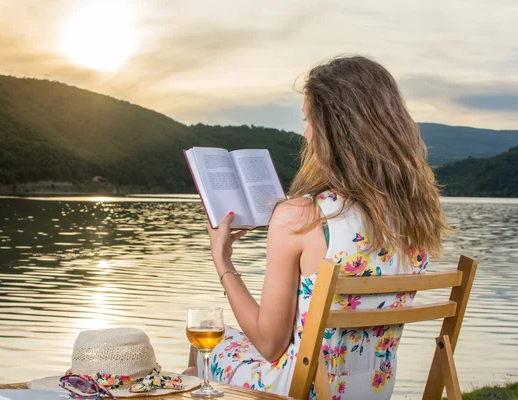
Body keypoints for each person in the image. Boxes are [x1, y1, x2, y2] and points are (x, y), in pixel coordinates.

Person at [185, 55, 449, 400]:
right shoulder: (415, 220)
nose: (305, 133)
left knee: (202, 355)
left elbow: (269, 345)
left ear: (332, 129)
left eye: (308, 120)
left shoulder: (302, 217)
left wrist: (223, 260)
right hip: (372, 392)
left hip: (301, 390)